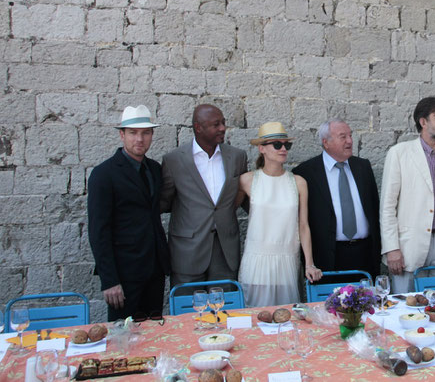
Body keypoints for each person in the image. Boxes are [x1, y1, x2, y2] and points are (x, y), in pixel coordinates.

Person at [87, 105, 170, 320]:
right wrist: (110, 280)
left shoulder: (154, 169)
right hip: (124, 275)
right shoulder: (104, 174)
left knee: (154, 333)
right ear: (122, 135)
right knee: (123, 340)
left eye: (145, 133)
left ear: (152, 135)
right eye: (133, 133)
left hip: (154, 271)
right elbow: (98, 231)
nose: (139, 139)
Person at [379, 97, 435, 293]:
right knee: (404, 305)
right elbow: (387, 206)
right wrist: (392, 248)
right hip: (409, 245)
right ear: (423, 122)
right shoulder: (399, 153)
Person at [160, 104, 248, 286]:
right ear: (198, 127)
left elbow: (242, 197)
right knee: (187, 309)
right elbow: (166, 202)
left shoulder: (237, 157)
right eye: (216, 124)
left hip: (225, 250)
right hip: (187, 252)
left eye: (223, 123)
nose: (223, 128)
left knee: (225, 309)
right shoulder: (174, 160)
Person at [236, 122, 321, 306]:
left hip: (286, 261)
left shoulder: (298, 182)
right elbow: (227, 213)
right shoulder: (247, 180)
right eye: (277, 144)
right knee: (256, 320)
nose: (283, 149)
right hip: (256, 261)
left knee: (286, 318)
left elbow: (303, 225)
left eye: (286, 145)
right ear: (262, 149)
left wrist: (309, 263)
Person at [294, 119, 381, 278]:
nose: (350, 141)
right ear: (326, 143)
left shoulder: (363, 167)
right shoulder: (306, 172)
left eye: (350, 135)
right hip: (329, 256)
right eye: (343, 137)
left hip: (365, 254)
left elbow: (374, 209)